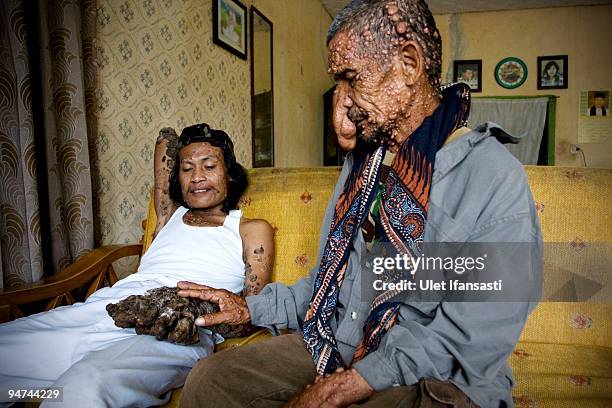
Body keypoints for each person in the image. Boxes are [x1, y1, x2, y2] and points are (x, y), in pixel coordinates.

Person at [178, 1, 542, 407]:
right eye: (338, 83)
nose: (342, 101)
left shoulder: (491, 176)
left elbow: (471, 339)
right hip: (339, 346)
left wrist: (350, 384)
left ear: (408, 64)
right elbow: (326, 289)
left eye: (350, 79)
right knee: (210, 381)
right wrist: (248, 309)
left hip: (430, 374)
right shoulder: (363, 167)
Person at [0, 123, 273, 407]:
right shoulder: (170, 215)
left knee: (87, 386)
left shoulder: (249, 229)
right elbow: (164, 143)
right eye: (187, 168)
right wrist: (187, 141)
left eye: (209, 166)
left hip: (178, 324)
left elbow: (250, 309)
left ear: (229, 172)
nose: (197, 177)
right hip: (114, 306)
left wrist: (199, 312)